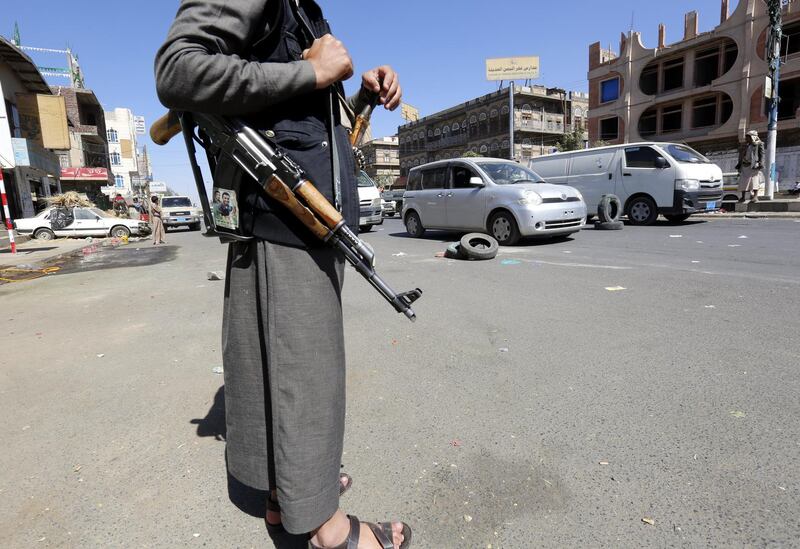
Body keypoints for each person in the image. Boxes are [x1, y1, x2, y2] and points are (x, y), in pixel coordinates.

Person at [155, 2, 409, 548]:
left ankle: (288, 495)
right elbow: (177, 70)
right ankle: (329, 531)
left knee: (280, 375)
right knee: (306, 376)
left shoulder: (301, 7)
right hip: (282, 220)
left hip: (305, 220)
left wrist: (359, 93)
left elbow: (314, 124)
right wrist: (311, 71)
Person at [736, 130, 765, 203]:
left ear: (752, 137)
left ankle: (755, 197)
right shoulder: (745, 145)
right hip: (744, 166)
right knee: (743, 182)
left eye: (747, 138)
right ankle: (743, 197)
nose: (746, 139)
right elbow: (741, 154)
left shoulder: (759, 144)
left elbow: (762, 154)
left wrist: (761, 163)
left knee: (754, 181)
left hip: (753, 166)